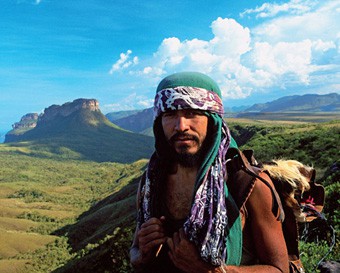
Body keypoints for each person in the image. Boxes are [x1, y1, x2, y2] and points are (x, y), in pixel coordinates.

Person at [130, 72, 289, 273]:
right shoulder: (152, 182)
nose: (181, 126)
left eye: (192, 113)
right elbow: (134, 253)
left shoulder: (247, 183)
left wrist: (212, 271)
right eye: (170, 115)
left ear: (213, 120)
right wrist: (143, 254)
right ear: (159, 123)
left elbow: (279, 269)